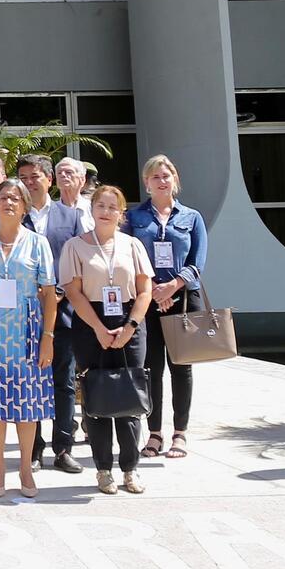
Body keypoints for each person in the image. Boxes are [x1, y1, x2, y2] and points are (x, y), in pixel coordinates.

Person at [0, 178, 59, 498]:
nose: (9, 202)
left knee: (27, 406)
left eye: (16, 198)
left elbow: (49, 293)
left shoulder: (37, 243)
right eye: (4, 197)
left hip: (27, 335)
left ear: (24, 207)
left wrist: (48, 336)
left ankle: (25, 468)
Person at [58, 183, 153, 494]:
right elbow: (73, 291)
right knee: (97, 399)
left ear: (121, 213)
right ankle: (103, 469)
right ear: (92, 209)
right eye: (101, 206)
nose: (106, 212)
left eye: (113, 207)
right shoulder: (75, 246)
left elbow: (144, 291)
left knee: (128, 397)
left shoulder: (132, 246)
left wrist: (129, 327)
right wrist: (98, 328)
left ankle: (130, 468)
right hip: (90, 325)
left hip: (129, 322)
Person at [125, 154, 209, 461]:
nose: (161, 181)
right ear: (146, 183)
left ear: (175, 179)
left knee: (181, 368)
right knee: (151, 369)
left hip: (182, 298)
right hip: (147, 299)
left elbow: (198, 261)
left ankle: (180, 433)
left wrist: (172, 286)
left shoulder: (191, 217)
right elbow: (127, 256)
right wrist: (152, 290)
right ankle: (155, 433)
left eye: (166, 175)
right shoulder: (134, 218)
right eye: (155, 177)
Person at [37, 157, 92, 474]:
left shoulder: (70, 217)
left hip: (66, 312)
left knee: (65, 383)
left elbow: (78, 259)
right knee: (30, 383)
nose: (32, 182)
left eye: (38, 176)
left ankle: (62, 448)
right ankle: (33, 449)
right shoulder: (17, 212)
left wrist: (58, 290)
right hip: (27, 313)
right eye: (25, 177)